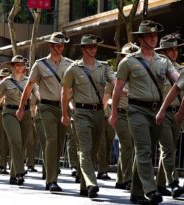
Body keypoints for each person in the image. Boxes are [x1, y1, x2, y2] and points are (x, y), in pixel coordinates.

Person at [109, 20, 178, 204]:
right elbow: (117, 90)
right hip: (136, 110)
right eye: (149, 35)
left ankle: (136, 193)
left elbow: (177, 81)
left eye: (155, 35)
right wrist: (114, 113)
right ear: (140, 38)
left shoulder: (164, 62)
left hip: (156, 112)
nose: (153, 39)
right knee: (144, 149)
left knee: (146, 152)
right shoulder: (128, 62)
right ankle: (151, 189)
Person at [17, 32, 73, 192]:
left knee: (59, 143)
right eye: (57, 45)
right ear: (51, 46)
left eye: (62, 45)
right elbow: (28, 87)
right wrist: (22, 107)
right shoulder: (40, 65)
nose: (60, 48)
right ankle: (51, 180)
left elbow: (73, 88)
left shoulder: (69, 64)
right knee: (51, 140)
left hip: (63, 107)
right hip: (46, 107)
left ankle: (52, 173)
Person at [61, 34, 116, 198]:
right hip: (81, 113)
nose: (93, 49)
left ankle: (85, 187)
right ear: (83, 49)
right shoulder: (74, 69)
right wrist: (64, 114)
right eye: (90, 47)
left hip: (99, 112)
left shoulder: (104, 67)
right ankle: (92, 183)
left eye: (95, 47)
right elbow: (65, 94)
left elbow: (114, 81)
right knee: (85, 149)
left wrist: (125, 89)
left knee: (93, 151)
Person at [0, 55, 37, 185]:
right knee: (16, 141)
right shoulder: (5, 82)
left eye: (22, 65)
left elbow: (37, 94)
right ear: (12, 66)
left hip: (25, 113)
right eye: (17, 65)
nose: (20, 67)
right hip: (9, 113)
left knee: (22, 144)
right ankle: (20, 172)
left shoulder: (29, 81)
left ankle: (13, 175)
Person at [154, 33, 184, 198]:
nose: (174, 52)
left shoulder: (181, 69)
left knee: (170, 147)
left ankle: (159, 184)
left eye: (175, 49)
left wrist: (181, 113)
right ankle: (173, 183)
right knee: (167, 148)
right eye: (170, 50)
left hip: (177, 114)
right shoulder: (157, 68)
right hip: (162, 113)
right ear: (163, 52)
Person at [106, 43, 139, 190]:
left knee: (128, 146)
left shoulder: (139, 76)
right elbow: (106, 97)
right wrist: (111, 109)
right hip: (119, 113)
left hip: (134, 113)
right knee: (127, 145)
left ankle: (120, 179)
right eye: (127, 56)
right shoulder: (114, 76)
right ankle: (128, 178)